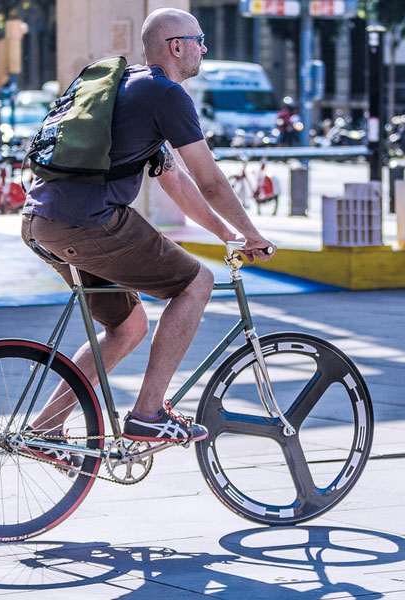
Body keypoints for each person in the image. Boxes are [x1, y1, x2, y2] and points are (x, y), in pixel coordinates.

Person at [20, 7, 275, 453]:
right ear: (176, 46)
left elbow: (174, 179)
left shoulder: (127, 87)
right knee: (197, 283)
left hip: (43, 221)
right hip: (89, 221)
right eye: (199, 39)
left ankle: (45, 428)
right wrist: (253, 234)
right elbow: (211, 181)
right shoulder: (166, 95)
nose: (204, 48)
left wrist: (225, 234)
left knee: (128, 327)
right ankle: (147, 415)